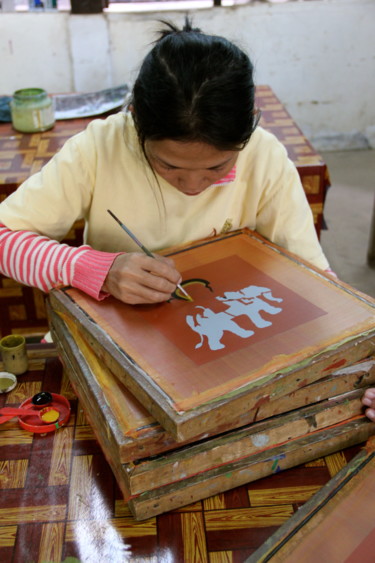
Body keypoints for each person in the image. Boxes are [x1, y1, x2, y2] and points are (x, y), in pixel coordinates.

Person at [0, 18, 333, 309]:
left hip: (226, 322)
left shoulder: (263, 156)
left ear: (249, 124)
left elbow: (314, 278)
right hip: (120, 333)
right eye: (168, 166)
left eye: (216, 169)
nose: (191, 186)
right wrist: (97, 269)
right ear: (135, 121)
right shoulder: (100, 148)